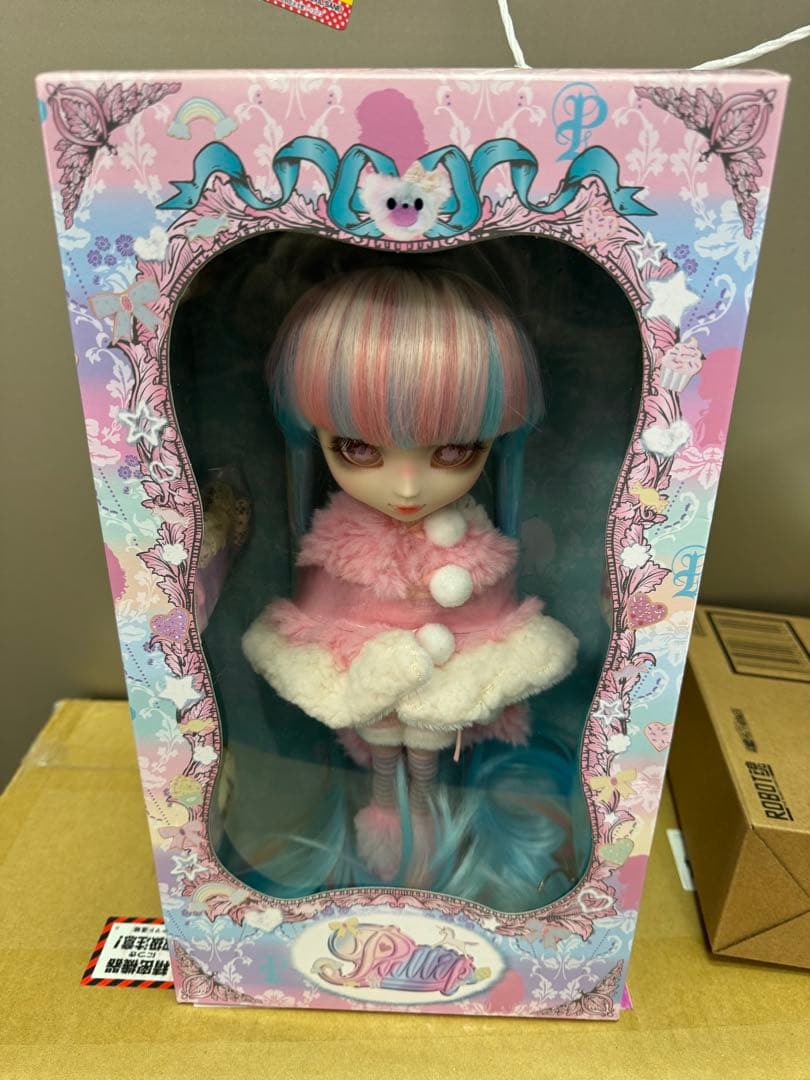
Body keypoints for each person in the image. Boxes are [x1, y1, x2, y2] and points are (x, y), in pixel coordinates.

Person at [243, 267, 577, 890]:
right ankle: (384, 809)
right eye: (357, 447)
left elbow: (496, 621)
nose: (405, 487)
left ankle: (421, 809)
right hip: (369, 675)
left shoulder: (475, 542)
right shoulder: (340, 542)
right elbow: (316, 618)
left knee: (427, 741)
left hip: (448, 684)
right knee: (379, 740)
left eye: (453, 451)